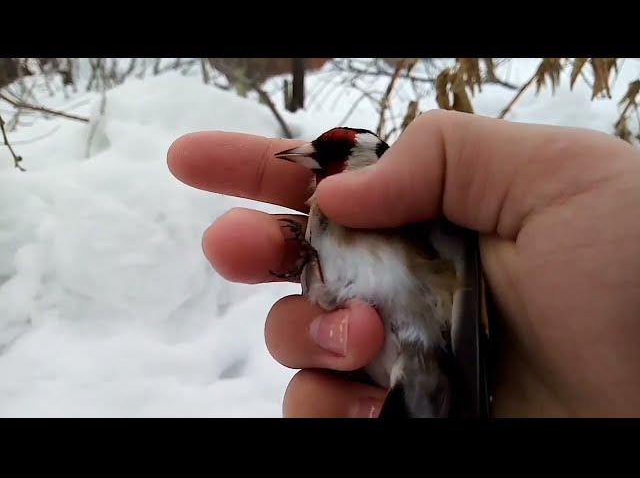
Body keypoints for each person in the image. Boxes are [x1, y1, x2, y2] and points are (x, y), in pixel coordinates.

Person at [167, 109, 640, 417]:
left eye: (334, 154)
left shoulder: (415, 212)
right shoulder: (351, 214)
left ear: (369, 159)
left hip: (427, 356)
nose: (317, 159)